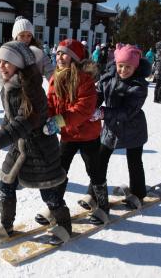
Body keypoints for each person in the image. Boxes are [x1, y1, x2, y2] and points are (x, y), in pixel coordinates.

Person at [0, 41, 71, 246]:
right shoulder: (9, 85)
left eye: (7, 62)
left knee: (48, 191)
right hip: (19, 147)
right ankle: (6, 225)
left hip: (39, 149)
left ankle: (64, 226)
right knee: (6, 182)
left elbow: (23, 122)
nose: (1, 65)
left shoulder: (31, 89)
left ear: (19, 64)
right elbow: (9, 121)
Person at [40, 39, 108, 225]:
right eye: (58, 53)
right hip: (68, 134)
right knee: (59, 170)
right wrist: (46, 117)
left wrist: (59, 121)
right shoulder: (56, 77)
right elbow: (51, 103)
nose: (60, 57)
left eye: (65, 54)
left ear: (75, 59)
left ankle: (103, 206)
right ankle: (55, 206)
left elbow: (84, 108)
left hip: (88, 135)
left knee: (94, 170)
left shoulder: (85, 79)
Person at [90, 44, 150, 208]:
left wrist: (102, 113)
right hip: (111, 128)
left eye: (128, 67)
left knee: (134, 161)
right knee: (100, 160)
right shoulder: (108, 78)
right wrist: (91, 107)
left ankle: (138, 194)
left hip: (133, 129)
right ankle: (94, 194)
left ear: (135, 67)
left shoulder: (138, 86)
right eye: (120, 66)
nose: (123, 70)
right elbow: (99, 95)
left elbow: (127, 111)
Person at [12, 16, 55, 80]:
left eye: (29, 35)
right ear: (15, 37)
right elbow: (3, 80)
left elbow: (50, 73)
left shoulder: (39, 54)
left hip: (34, 89)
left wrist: (57, 85)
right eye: (22, 36)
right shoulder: (10, 53)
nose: (26, 39)